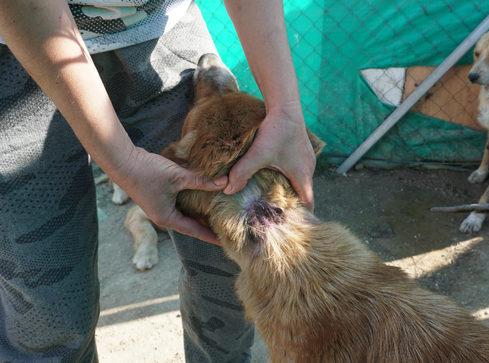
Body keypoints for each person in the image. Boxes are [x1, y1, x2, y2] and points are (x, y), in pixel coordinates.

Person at [0, 0, 315, 361]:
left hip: (161, 29)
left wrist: (287, 111)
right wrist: (124, 163)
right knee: (49, 313)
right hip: (16, 46)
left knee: (227, 273)